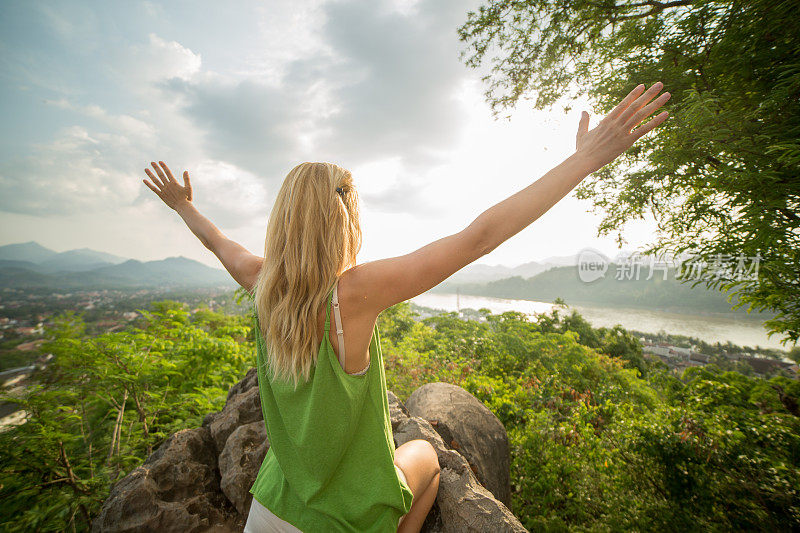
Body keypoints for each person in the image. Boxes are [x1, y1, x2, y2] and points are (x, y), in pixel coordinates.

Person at [142, 81, 670, 532]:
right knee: (425, 459)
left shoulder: (263, 283)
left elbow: (217, 242)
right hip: (342, 519)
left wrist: (182, 205)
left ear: (283, 220)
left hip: (272, 509)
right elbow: (478, 239)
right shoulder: (353, 295)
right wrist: (585, 159)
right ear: (343, 221)